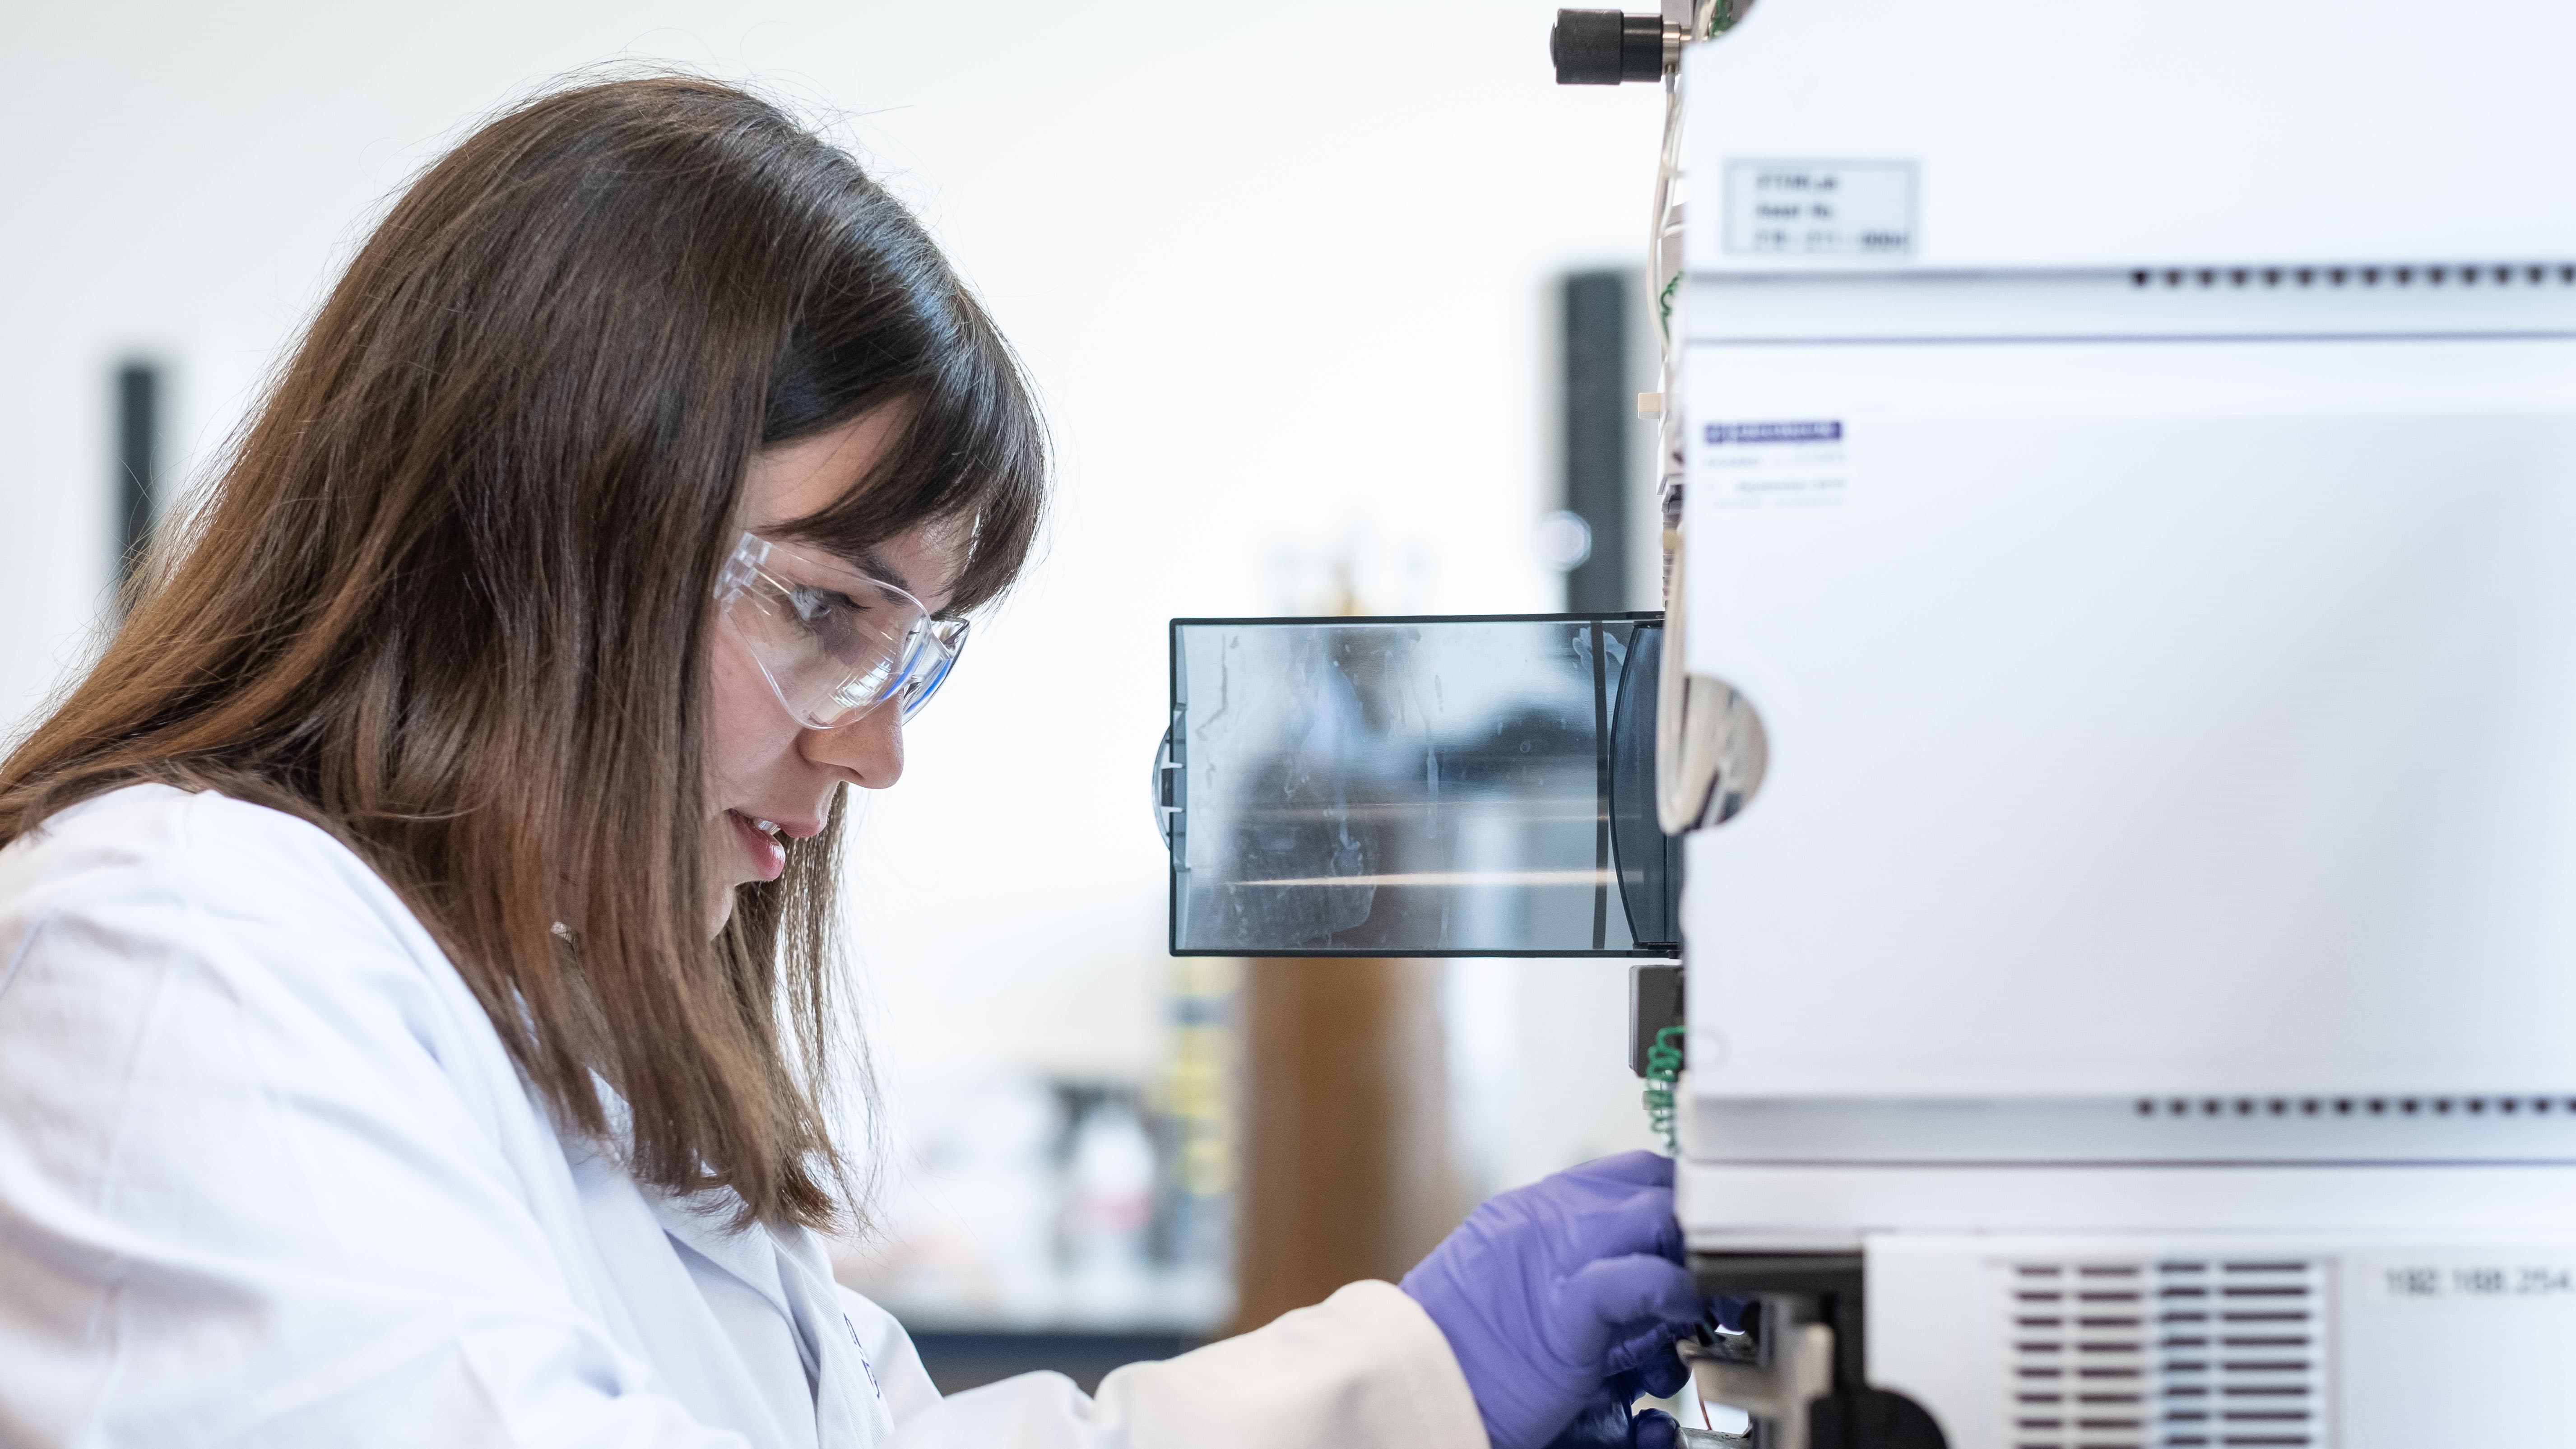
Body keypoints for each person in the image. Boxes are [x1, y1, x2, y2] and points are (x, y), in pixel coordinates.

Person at [0, 77, 1708, 1449]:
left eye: (905, 650)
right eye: (820, 607)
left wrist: (1413, 1381)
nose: (873, 749)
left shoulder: (562, 1028)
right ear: (523, 538)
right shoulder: (174, 945)